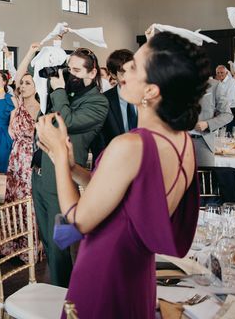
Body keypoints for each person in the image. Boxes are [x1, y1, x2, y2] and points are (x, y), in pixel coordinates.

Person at [36, 29, 206, 318]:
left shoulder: (131, 144)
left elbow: (77, 221)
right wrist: (69, 163)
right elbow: (124, 194)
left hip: (103, 270)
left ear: (151, 91)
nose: (123, 70)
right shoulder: (182, 142)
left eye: (134, 66)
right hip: (136, 270)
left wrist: (59, 161)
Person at [32, 47, 108, 287]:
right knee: (47, 240)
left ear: (92, 72)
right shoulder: (68, 94)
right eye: (69, 69)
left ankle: (64, 297)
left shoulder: (98, 101)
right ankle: (57, 290)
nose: (70, 74)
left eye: (76, 70)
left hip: (62, 181)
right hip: (41, 175)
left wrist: (59, 90)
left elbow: (67, 122)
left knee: (61, 245)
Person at [0, 57, 41, 259]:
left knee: (28, 200)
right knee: (14, 199)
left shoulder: (40, 109)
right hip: (15, 159)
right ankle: (13, 246)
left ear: (36, 86)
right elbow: (11, 132)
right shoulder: (16, 109)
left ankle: (29, 249)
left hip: (31, 159)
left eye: (28, 83)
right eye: (22, 83)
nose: (23, 86)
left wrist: (31, 52)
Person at [96, 49, 137, 154]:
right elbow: (100, 142)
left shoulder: (148, 97)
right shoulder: (103, 100)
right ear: (113, 75)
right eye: (123, 73)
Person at [190, 78, 232, 166]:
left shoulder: (215, 85)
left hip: (202, 141)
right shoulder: (177, 82)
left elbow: (227, 114)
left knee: (205, 178)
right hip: (178, 140)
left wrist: (207, 124)